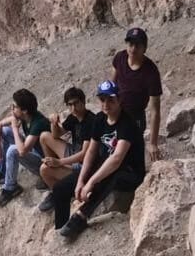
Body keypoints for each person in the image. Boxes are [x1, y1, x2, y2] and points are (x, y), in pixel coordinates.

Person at [47, 80, 146, 241]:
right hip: (106, 164)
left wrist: (91, 182)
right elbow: (91, 151)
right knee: (60, 188)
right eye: (102, 100)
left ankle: (81, 215)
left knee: (111, 173)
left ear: (119, 99)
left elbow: (117, 158)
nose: (106, 104)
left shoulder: (127, 123)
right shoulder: (100, 119)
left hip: (130, 172)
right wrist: (81, 180)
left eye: (110, 100)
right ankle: (61, 227)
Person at [0, 88, 51, 205]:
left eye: (14, 107)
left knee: (13, 150)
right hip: (33, 151)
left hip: (45, 164)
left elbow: (22, 151)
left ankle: (11, 188)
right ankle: (0, 172)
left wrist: (14, 127)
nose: (11, 109)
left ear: (24, 110)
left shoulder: (38, 123)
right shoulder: (24, 117)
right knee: (5, 130)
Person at [36, 87, 97, 212]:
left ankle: (59, 193)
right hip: (74, 153)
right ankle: (54, 171)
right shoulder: (73, 117)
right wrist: (54, 123)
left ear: (83, 102)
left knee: (44, 169)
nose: (73, 108)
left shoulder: (91, 121)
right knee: (44, 136)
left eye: (76, 103)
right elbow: (56, 135)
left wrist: (59, 162)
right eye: (70, 105)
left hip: (84, 165)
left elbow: (85, 154)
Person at [110, 26, 163, 161]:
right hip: (117, 111)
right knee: (110, 149)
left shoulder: (151, 72)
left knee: (129, 155)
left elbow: (155, 110)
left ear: (144, 48)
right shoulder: (120, 58)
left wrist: (153, 143)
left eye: (137, 45)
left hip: (135, 117)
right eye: (130, 44)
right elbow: (112, 85)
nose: (133, 49)